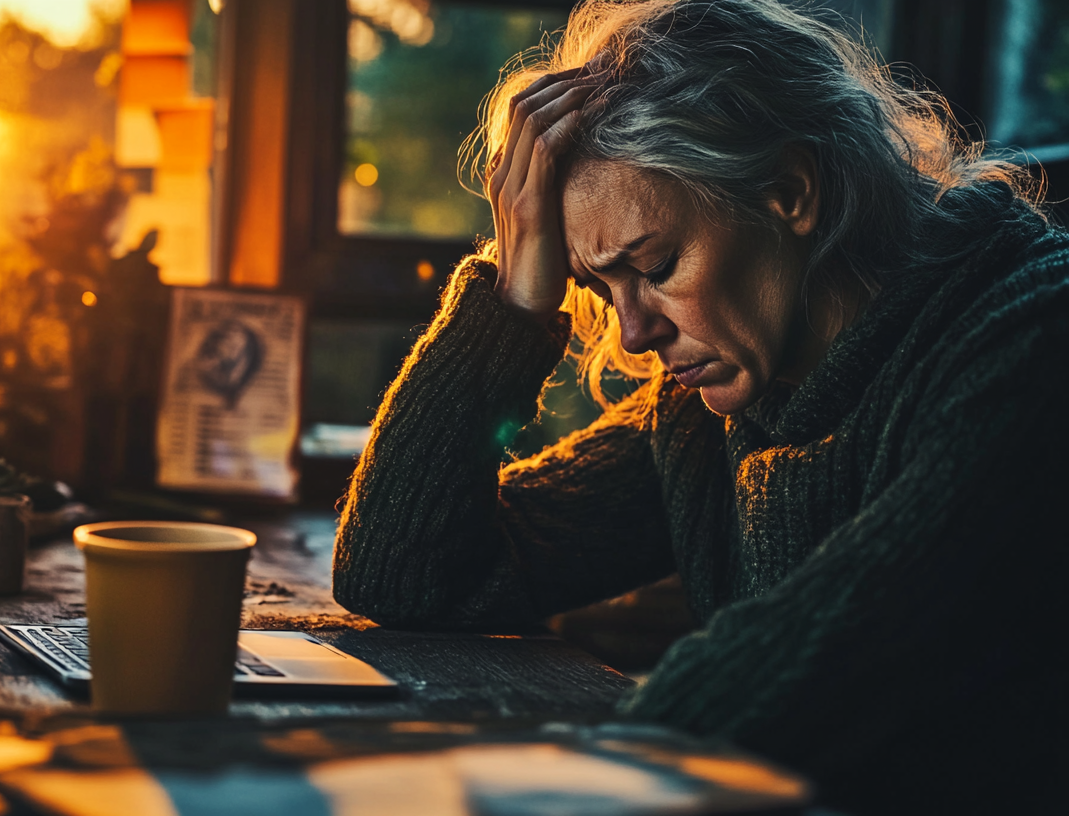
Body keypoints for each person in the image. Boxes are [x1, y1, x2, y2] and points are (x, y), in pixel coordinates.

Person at [330, 1, 1068, 812]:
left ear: (789, 191)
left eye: (654, 264)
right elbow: (400, 574)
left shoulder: (1031, 338)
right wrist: (513, 301)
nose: (634, 332)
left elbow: (807, 673)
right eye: (596, 287)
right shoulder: (720, 407)